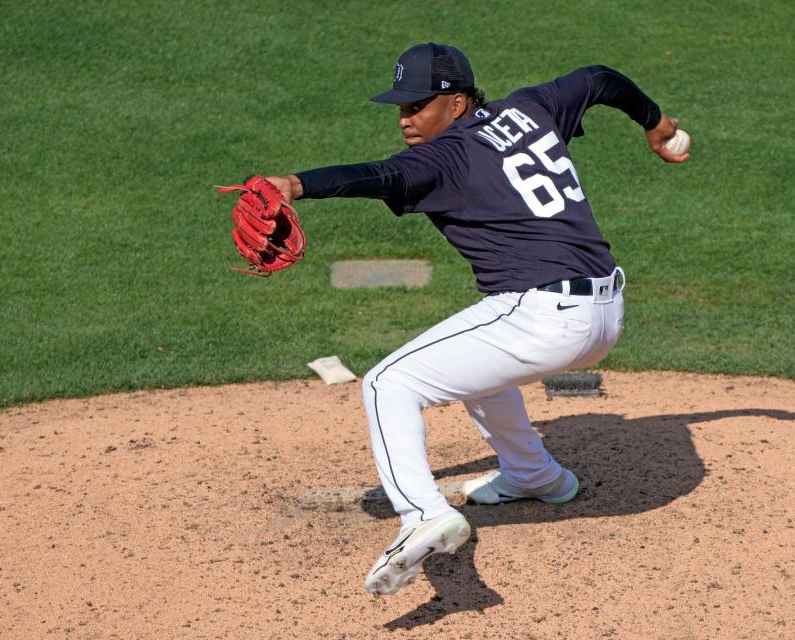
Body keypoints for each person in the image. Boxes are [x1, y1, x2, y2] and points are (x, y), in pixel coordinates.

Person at [262, 43, 689, 595]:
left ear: (457, 103)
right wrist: (654, 123)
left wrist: (295, 185)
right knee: (476, 350)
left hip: (544, 317)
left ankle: (421, 515)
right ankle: (537, 477)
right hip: (603, 313)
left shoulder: (444, 156)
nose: (406, 119)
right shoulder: (532, 107)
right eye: (400, 108)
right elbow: (600, 77)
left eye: (418, 106)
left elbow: (380, 176)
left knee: (388, 383)